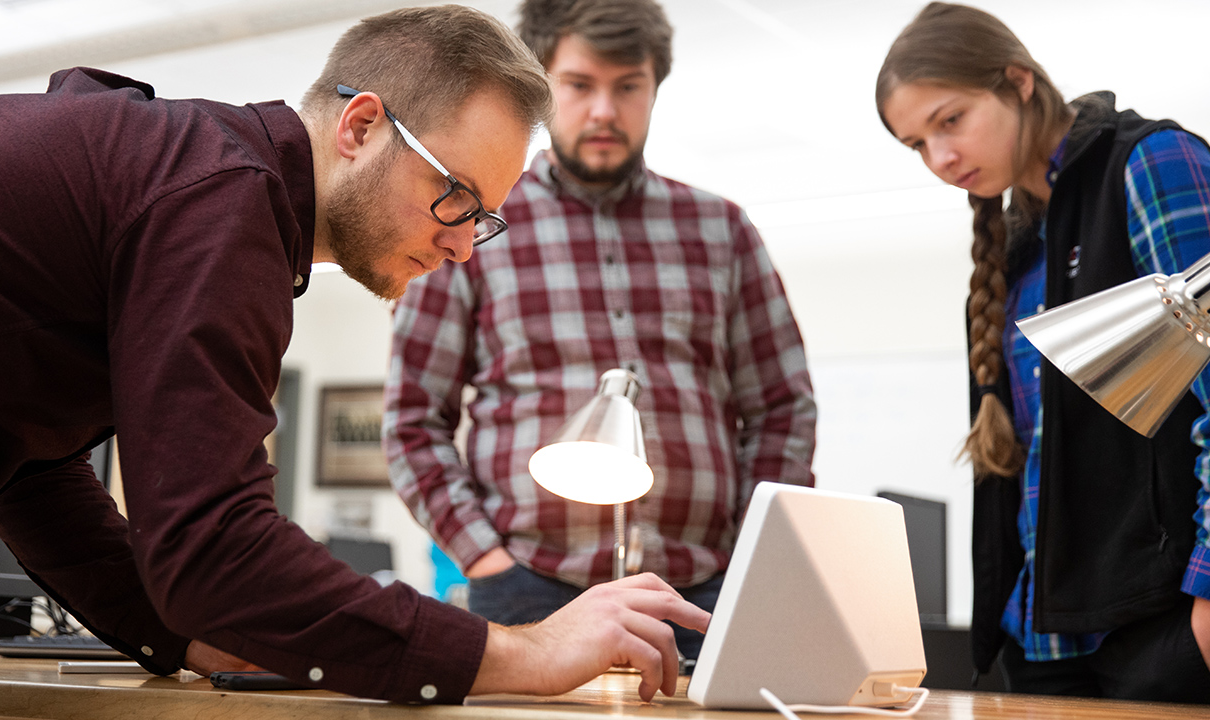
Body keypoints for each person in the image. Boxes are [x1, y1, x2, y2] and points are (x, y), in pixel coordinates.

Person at [0, 4, 709, 706]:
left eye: (485, 218)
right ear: (361, 126)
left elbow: (33, 468)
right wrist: (523, 650)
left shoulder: (189, 174)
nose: (465, 245)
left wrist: (185, 636)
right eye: (456, 196)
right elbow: (215, 550)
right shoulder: (222, 198)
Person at [382, 0, 815, 662]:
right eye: (580, 86)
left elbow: (783, 407)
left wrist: (750, 558)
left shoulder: (721, 229)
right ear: (542, 86)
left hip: (702, 591)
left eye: (628, 86)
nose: (605, 111)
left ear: (654, 88)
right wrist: (485, 557)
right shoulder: (471, 223)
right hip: (527, 588)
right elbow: (413, 418)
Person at [877, 2, 1210, 703]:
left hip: (1156, 628)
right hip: (1038, 637)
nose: (940, 158)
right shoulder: (1015, 246)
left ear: (1018, 82)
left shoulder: (1149, 163)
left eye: (950, 120)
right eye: (917, 144)